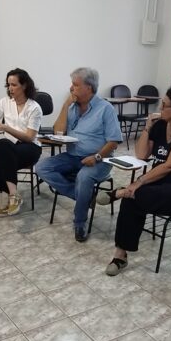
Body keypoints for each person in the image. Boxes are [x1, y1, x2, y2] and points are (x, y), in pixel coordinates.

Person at [99, 87, 171, 275]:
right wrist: (148, 126)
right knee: (132, 199)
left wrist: (139, 181)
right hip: (158, 184)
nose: (160, 108)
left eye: (164, 105)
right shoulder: (160, 126)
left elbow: (169, 166)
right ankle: (120, 256)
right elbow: (141, 154)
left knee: (136, 193)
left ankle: (122, 191)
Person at [35, 67, 123, 242]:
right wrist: (66, 105)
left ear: (88, 87)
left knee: (84, 177)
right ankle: (85, 197)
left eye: (75, 85)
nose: (71, 88)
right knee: (42, 167)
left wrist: (97, 157)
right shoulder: (72, 107)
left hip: (99, 159)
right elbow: (58, 131)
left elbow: (114, 141)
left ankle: (79, 223)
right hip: (72, 156)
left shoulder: (105, 109)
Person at [0, 67, 43, 217]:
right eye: (8, 85)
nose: (10, 88)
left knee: (2, 150)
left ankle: (7, 202)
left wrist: (6, 128)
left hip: (29, 148)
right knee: (3, 148)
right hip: (9, 149)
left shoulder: (34, 108)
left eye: (14, 85)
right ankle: (13, 196)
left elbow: (29, 137)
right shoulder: (5, 102)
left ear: (24, 85)